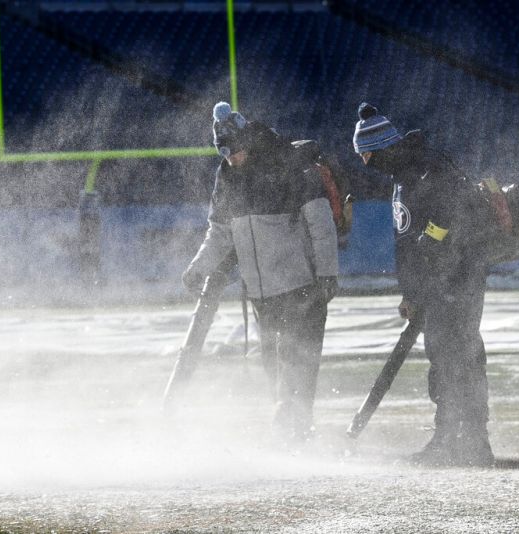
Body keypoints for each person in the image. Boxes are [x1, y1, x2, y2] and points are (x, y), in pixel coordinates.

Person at [182, 102, 339, 445]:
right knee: (274, 366)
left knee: (297, 362)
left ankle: (295, 431)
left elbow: (319, 220)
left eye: (236, 151)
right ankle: (291, 431)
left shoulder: (286, 163)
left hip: (301, 284)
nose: (232, 158)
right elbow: (220, 232)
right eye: (224, 152)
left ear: (248, 141)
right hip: (262, 294)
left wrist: (327, 271)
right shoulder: (226, 175)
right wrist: (199, 267)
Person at [352, 102, 494, 467]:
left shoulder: (430, 168)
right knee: (445, 358)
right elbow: (407, 239)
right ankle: (454, 438)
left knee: (458, 356)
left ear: (382, 146)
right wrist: (411, 292)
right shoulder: (403, 177)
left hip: (456, 279)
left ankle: (468, 442)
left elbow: (448, 217)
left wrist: (433, 246)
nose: (365, 163)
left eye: (366, 154)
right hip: (434, 284)